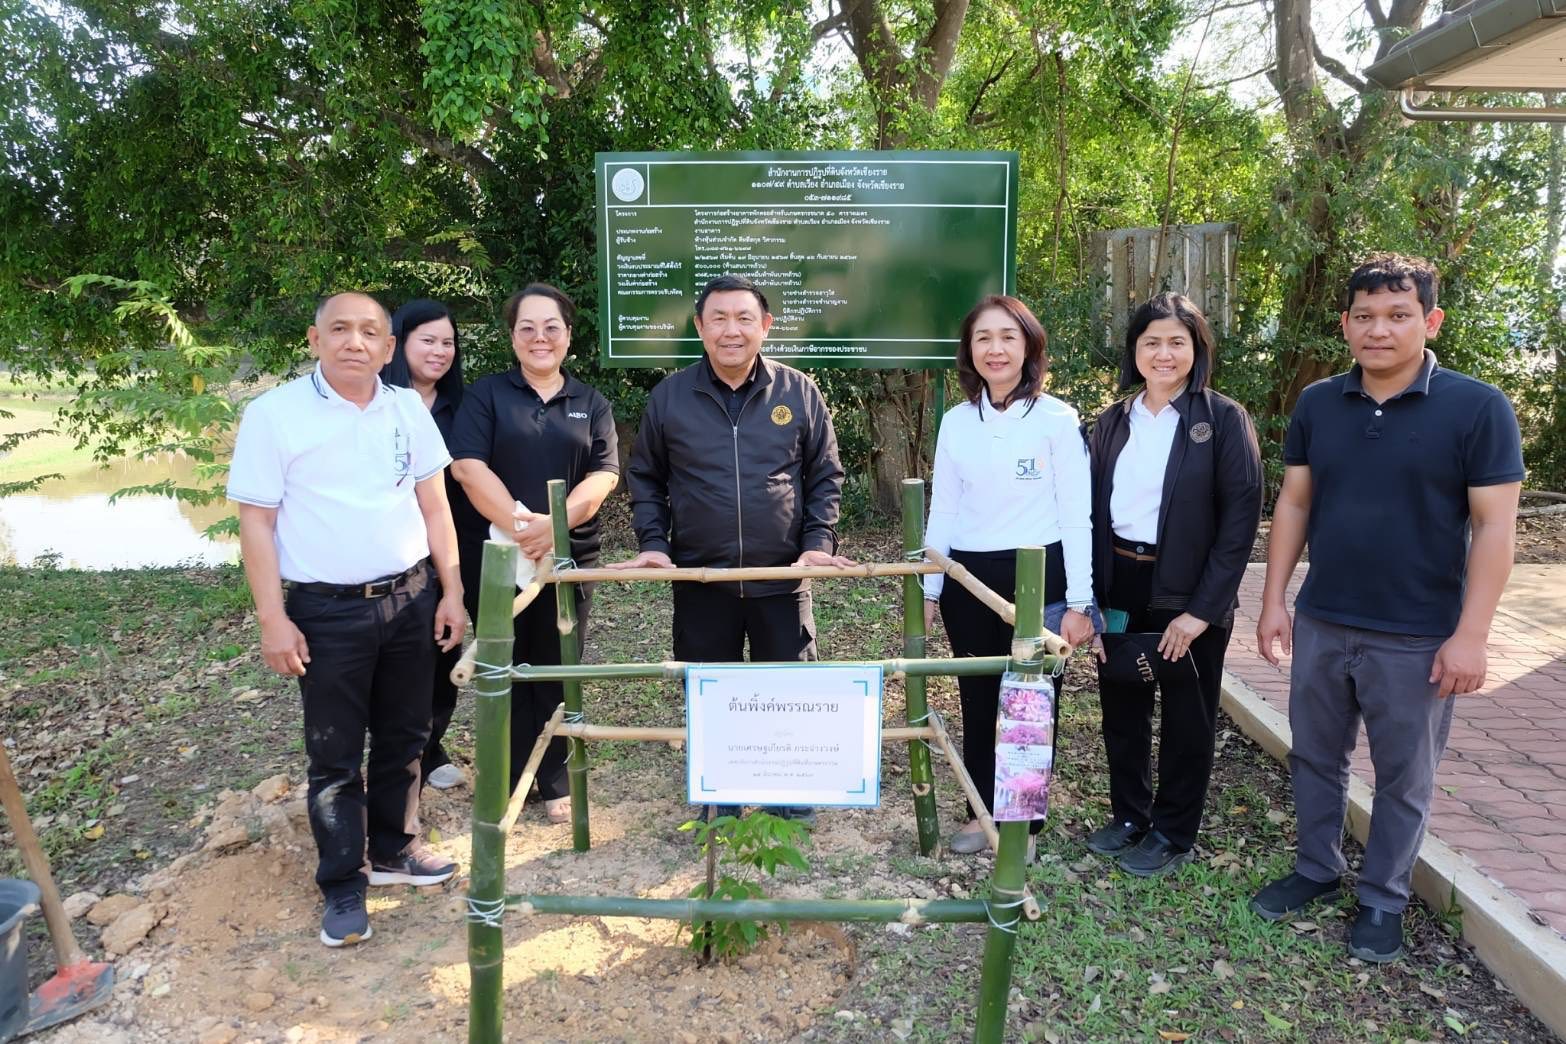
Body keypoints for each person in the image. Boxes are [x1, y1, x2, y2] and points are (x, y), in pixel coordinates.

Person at [1251, 254, 1523, 963]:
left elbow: (1495, 526)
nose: (1380, 330)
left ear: (1430, 321)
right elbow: (1295, 503)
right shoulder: (1318, 403)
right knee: (1315, 755)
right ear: (1345, 324)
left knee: (1404, 776)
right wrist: (1274, 600)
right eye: (1365, 316)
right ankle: (1316, 868)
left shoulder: (1478, 407)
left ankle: (1383, 898)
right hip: (1324, 619)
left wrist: (1472, 635)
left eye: (1398, 315)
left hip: (1418, 633)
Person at [228, 292, 465, 948]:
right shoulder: (274, 415)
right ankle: (342, 882)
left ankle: (395, 847)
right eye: (339, 329)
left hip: (411, 598)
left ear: (388, 349)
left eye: (368, 332)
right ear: (315, 340)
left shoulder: (407, 410)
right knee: (334, 753)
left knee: (406, 733)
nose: (354, 342)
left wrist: (451, 592)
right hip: (325, 610)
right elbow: (257, 523)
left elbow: (436, 507)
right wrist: (272, 618)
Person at [612, 274, 853, 825]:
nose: (731, 330)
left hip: (782, 578)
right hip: (702, 579)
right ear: (700, 327)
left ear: (765, 326)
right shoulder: (671, 396)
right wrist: (654, 544)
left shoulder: (798, 391)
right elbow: (645, 477)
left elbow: (825, 475)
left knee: (786, 689)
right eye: (718, 318)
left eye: (744, 318)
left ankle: (787, 792)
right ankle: (720, 795)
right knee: (711, 687)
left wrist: (817, 542)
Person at [1084, 292, 1263, 876]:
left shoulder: (1223, 419)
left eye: (1176, 342)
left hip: (1189, 591)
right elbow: (1088, 513)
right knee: (1122, 703)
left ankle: (1173, 830)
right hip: (1121, 582)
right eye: (1151, 342)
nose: (1164, 354)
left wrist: (1202, 611)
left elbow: (1239, 523)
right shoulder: (1112, 422)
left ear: (1197, 349)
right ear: (1134, 350)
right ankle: (1129, 815)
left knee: (1189, 717)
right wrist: (1093, 600)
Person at [923, 294, 1096, 856]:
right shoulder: (956, 422)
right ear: (969, 351)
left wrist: (1080, 601)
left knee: (1029, 703)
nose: (995, 349)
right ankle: (982, 814)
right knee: (976, 698)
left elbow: (1076, 515)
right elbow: (944, 508)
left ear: (1029, 347)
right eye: (983, 338)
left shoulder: (1057, 419)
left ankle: (1022, 826)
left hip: (1038, 576)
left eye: (1007, 337)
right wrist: (930, 587)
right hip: (968, 579)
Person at [449, 283, 619, 825]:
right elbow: (467, 467)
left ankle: (554, 782)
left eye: (551, 327)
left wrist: (556, 527)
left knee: (556, 666)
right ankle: (502, 777)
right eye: (527, 327)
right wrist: (523, 529)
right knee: (502, 668)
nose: (539, 337)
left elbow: (604, 475)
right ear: (512, 336)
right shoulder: (486, 396)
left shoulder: (591, 403)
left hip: (569, 558)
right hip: (497, 558)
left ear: (568, 335)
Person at [384, 299, 488, 791]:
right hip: (393, 549)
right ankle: (396, 749)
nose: (440, 351)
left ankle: (431, 748)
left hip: (455, 545)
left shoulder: (464, 407)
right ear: (399, 343)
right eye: (427, 340)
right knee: (397, 654)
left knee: (445, 646)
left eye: (448, 343)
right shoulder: (375, 402)